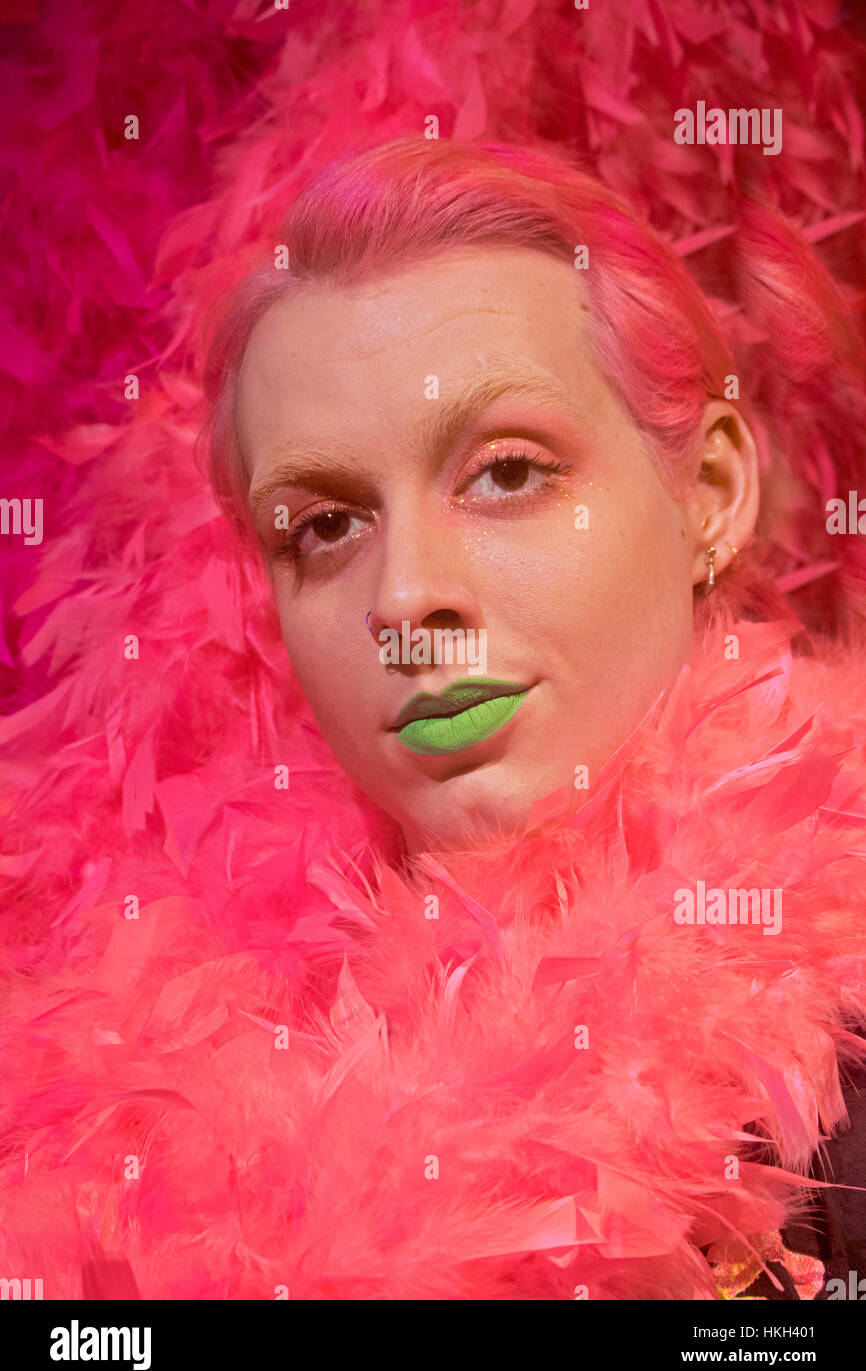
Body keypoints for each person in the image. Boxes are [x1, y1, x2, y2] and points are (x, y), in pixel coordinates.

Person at [2, 136, 865, 1300]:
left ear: (705, 492)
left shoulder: (830, 1074)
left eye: (505, 473)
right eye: (322, 526)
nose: (407, 597)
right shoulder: (133, 1101)